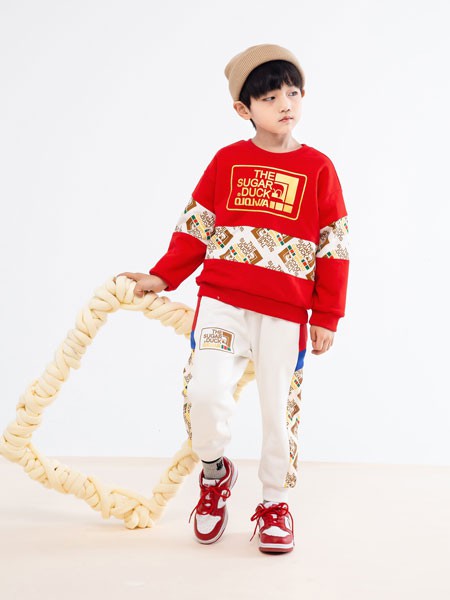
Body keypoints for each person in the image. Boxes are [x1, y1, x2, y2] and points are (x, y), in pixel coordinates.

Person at [116, 43, 350, 554]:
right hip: (222, 302)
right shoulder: (228, 161)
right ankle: (214, 472)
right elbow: (196, 226)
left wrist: (328, 314)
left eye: (293, 92)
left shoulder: (318, 168)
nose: (285, 104)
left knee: (277, 409)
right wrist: (162, 276)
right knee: (205, 393)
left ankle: (274, 502)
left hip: (285, 313)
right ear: (244, 109)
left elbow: (333, 245)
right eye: (270, 97)